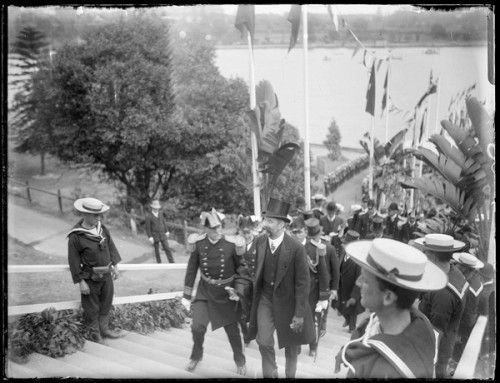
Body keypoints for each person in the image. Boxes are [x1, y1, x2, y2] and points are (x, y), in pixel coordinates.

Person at [334, 238, 447, 378]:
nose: (358, 283)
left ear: (388, 297)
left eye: (365, 280)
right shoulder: (421, 324)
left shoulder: (383, 371)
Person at [246, 197, 315, 378]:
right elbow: (250, 269)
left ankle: (290, 375)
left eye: (270, 221)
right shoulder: (260, 242)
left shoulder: (296, 248)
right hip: (266, 299)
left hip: (289, 303)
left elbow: (303, 284)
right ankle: (271, 372)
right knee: (263, 341)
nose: (265, 224)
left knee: (291, 348)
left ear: (282, 225)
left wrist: (299, 314)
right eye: (265, 220)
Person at [181, 209, 251, 375]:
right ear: (206, 229)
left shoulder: (230, 244)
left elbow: (242, 269)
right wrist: (186, 295)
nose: (217, 231)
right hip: (205, 292)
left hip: (226, 294)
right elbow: (192, 270)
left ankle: (240, 361)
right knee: (197, 327)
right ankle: (196, 356)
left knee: (233, 332)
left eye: (219, 227)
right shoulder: (199, 244)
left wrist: (238, 290)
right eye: (213, 229)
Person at [67, 197, 123, 343]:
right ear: (84, 214)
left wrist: (115, 266)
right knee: (91, 307)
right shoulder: (76, 236)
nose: (98, 218)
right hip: (90, 278)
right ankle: (95, 334)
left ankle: (104, 330)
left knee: (106, 302)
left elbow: (111, 247)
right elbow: (73, 261)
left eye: (99, 215)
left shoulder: (102, 229)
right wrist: (80, 282)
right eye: (94, 215)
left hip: (106, 275)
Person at [415, 233, 468, 379]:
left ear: (432, 258)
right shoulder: (454, 272)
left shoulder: (442, 292)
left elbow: (435, 334)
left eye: (425, 253)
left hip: (433, 355)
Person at [303, 218, 331, 358]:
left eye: (299, 231)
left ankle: (313, 346)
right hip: (297, 291)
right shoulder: (291, 247)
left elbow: (323, 273)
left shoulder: (316, 249)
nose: (296, 234)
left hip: (312, 291)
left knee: (314, 321)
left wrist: (324, 297)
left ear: (305, 232)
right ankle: (295, 345)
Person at [451, 252, 485, 363]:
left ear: (463, 269)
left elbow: (468, 315)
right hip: (467, 325)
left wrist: (459, 333)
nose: (454, 267)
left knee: (458, 355)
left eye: (456, 265)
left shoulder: (469, 288)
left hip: (462, 328)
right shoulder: (477, 282)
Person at [236, 214, 259, 345]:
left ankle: (257, 331)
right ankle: (246, 336)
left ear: (253, 230)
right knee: (240, 307)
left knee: (258, 308)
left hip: (257, 280)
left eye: (248, 232)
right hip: (242, 280)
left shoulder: (260, 242)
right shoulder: (236, 244)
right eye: (243, 232)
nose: (246, 235)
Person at [336, 230, 364, 333]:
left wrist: (354, 295)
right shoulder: (344, 252)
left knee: (352, 308)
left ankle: (352, 327)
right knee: (339, 306)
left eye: (345, 243)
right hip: (342, 286)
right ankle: (347, 320)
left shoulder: (358, 259)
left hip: (353, 287)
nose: (342, 244)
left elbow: (359, 278)